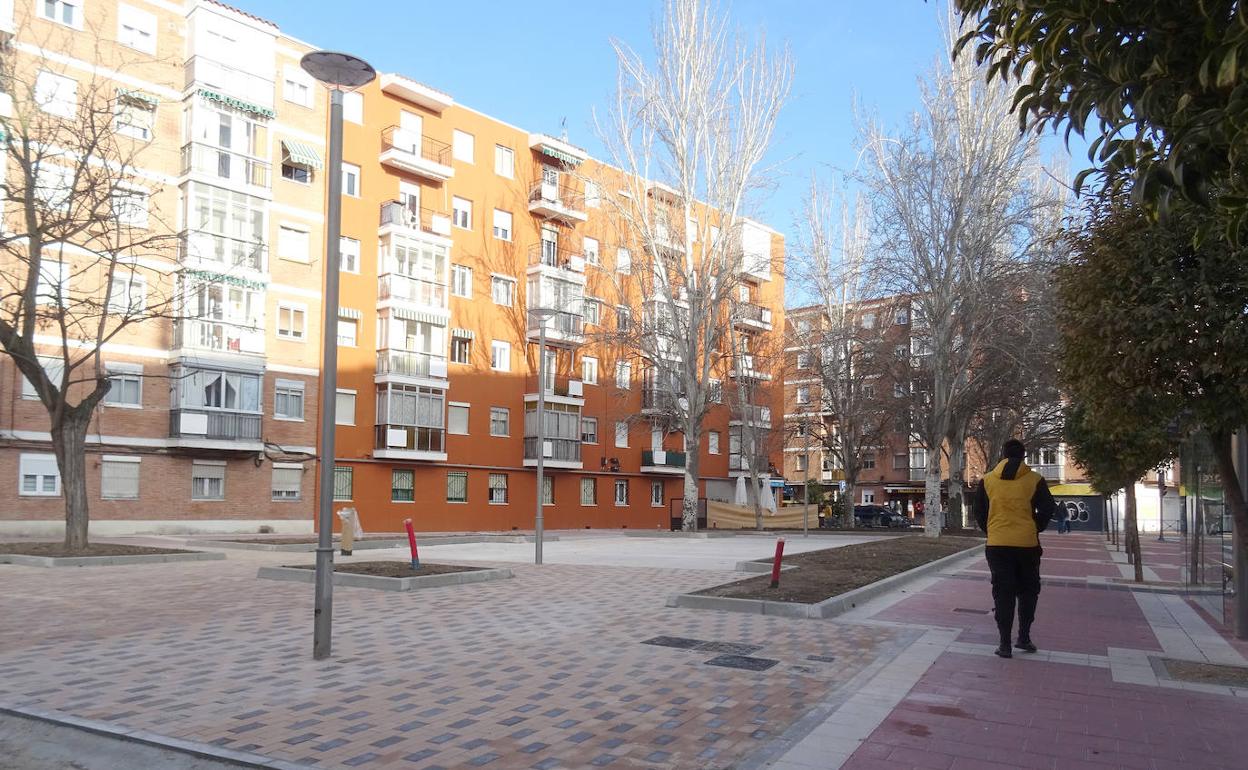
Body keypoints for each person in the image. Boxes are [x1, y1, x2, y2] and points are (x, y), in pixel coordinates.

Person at [973, 439, 1056, 659]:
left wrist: (991, 530)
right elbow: (1048, 508)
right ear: (1024, 456)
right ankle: (1024, 638)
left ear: (1003, 455)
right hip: (1027, 545)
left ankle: (1004, 644)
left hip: (997, 545)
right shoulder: (1035, 479)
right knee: (1028, 591)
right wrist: (1034, 527)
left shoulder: (988, 480)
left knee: (1003, 592)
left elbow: (979, 510)